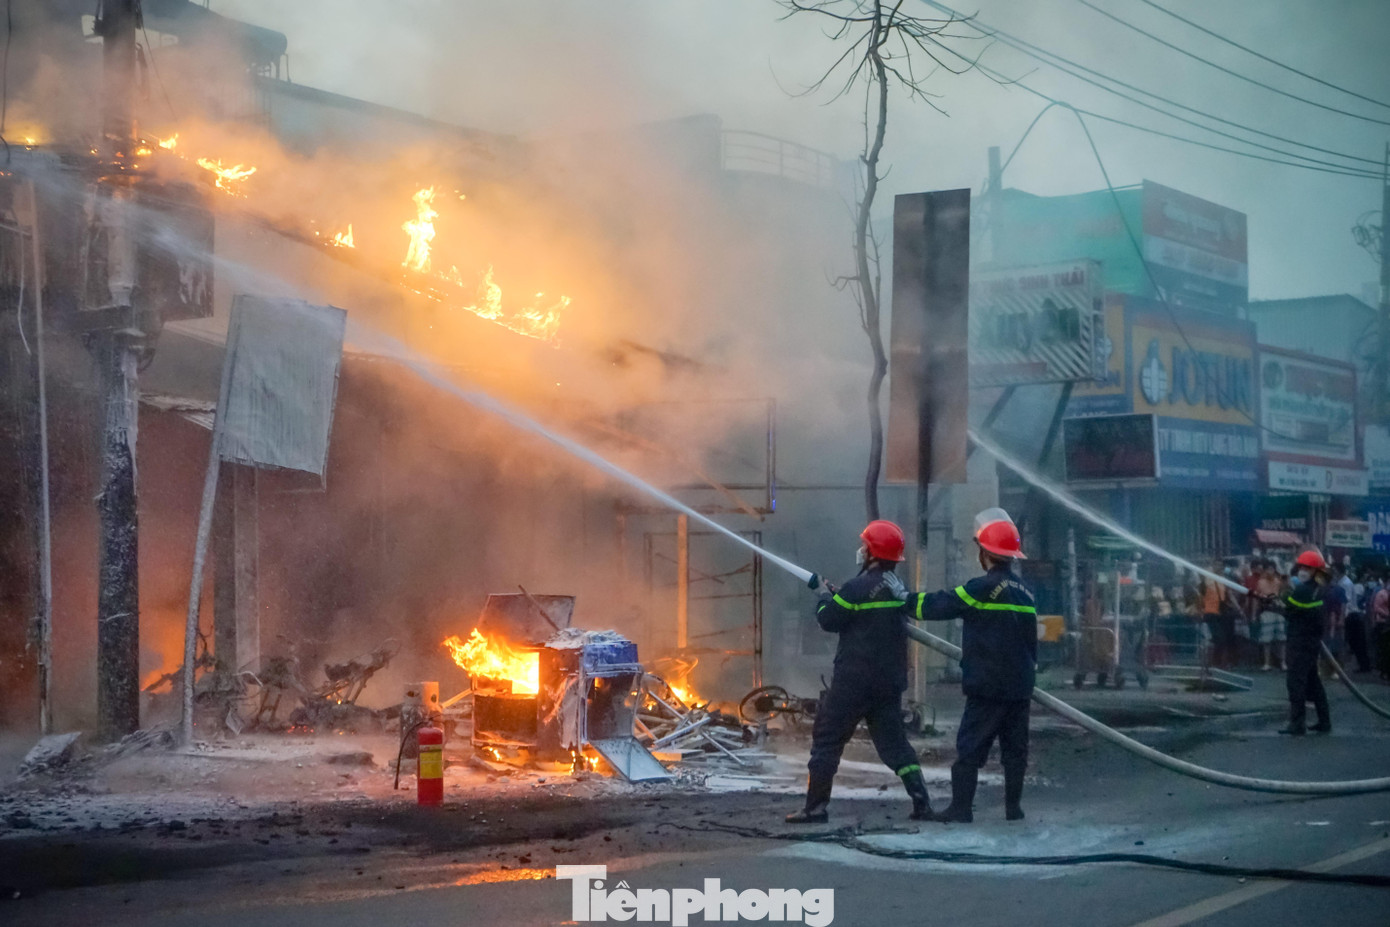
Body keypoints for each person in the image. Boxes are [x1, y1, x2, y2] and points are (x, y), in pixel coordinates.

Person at [786, 520, 934, 824]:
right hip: (888, 682)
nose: (861, 550)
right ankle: (921, 801)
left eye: (865, 545)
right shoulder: (897, 589)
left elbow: (829, 620)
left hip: (853, 682)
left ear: (872, 552)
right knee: (894, 744)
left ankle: (815, 808)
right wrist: (838, 596)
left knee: (827, 739)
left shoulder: (855, 588)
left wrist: (823, 596)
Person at [912, 508, 1036, 823]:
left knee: (969, 750)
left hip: (987, 686)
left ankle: (961, 808)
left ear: (985, 552)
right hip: (1019, 686)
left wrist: (903, 601)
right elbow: (1032, 644)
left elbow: (939, 605)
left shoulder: (979, 589)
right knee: (1015, 752)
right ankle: (1014, 809)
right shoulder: (1026, 593)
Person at [1280, 548, 1332, 736]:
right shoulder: (1319, 589)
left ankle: (1297, 723)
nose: (1302, 571)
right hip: (1311, 641)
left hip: (1300, 641)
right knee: (1313, 683)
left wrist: (1282, 593)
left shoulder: (1303, 590)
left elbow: (1290, 607)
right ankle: (1324, 721)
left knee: (1296, 682)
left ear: (1315, 571)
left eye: (1306, 568)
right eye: (1301, 567)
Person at [1251, 559, 1286, 672]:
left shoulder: (1278, 582)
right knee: (1266, 640)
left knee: (1281, 639)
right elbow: (1256, 600)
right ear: (1265, 571)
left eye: (1272, 569)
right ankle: (1267, 663)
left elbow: (1284, 592)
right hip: (1266, 612)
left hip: (1279, 612)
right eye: (1269, 569)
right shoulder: (1260, 583)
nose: (1271, 571)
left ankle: (1283, 662)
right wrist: (1254, 615)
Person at [1342, 569, 1372, 673]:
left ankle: (1364, 665)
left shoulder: (1348, 584)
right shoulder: (1350, 584)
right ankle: (1364, 665)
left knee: (1357, 642)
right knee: (1358, 643)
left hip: (1353, 616)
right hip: (1355, 615)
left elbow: (1348, 602)